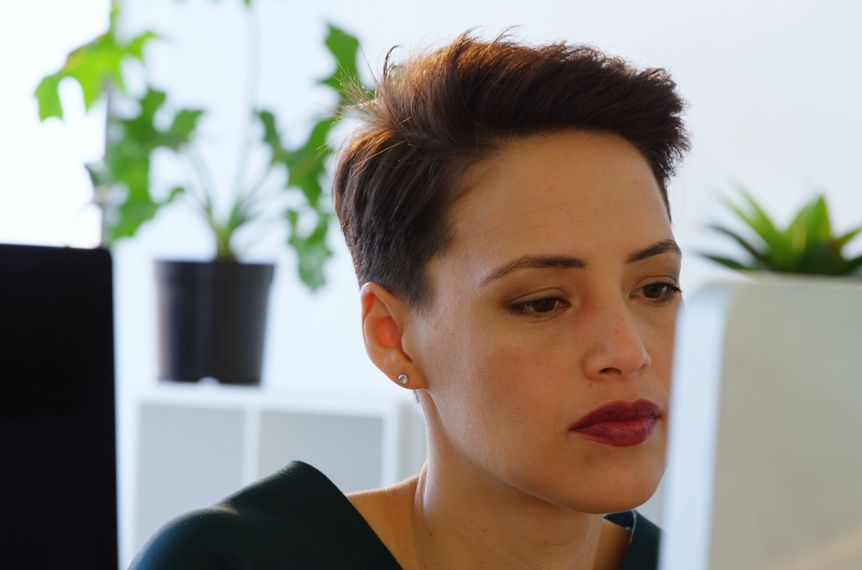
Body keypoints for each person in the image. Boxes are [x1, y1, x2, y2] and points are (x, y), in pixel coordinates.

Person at [131, 31, 689, 570]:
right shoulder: (229, 563)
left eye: (656, 288)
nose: (627, 350)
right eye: (543, 302)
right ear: (393, 338)